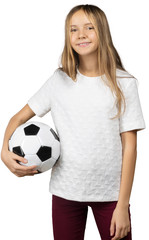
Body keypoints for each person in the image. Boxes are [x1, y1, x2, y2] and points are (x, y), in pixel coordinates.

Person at [1, 4, 146, 240]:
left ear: (103, 32)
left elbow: (130, 147)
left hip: (110, 196)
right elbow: (17, 118)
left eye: (90, 28)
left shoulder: (124, 82)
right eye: (73, 29)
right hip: (65, 192)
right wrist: (4, 151)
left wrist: (123, 206)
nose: (81, 35)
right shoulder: (59, 80)